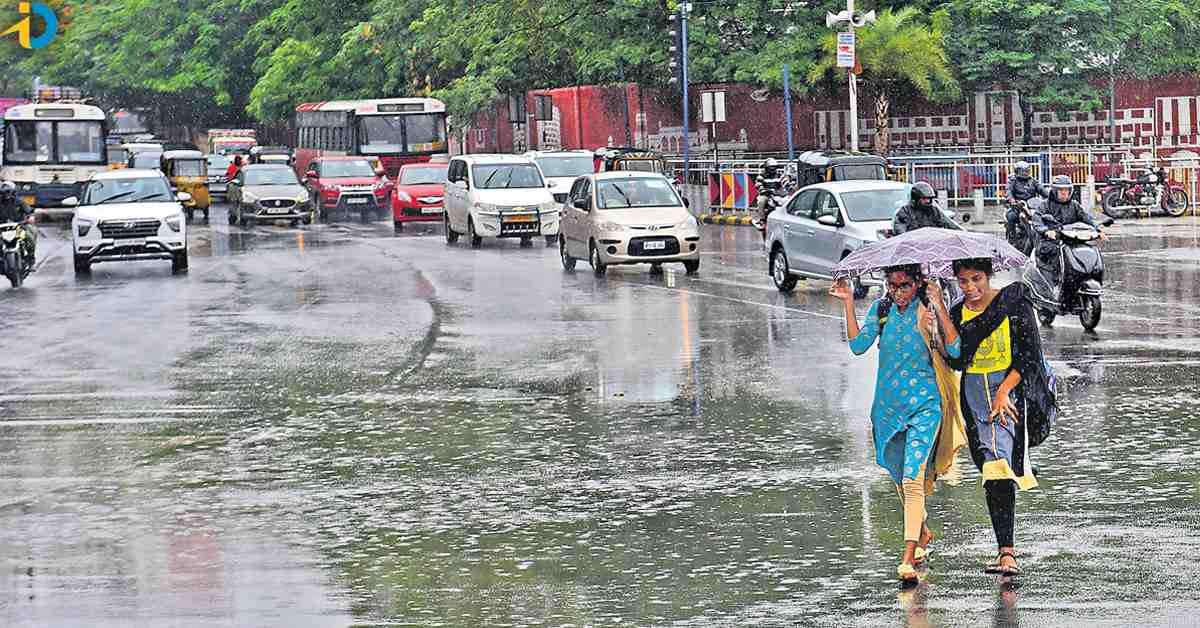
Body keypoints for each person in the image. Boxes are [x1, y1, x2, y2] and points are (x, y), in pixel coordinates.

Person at [832, 265, 966, 582]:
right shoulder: (882, 309)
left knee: (911, 478)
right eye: (892, 286)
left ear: (918, 282)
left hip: (925, 406)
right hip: (888, 408)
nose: (898, 292)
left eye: (904, 285)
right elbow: (857, 345)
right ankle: (922, 531)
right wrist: (848, 301)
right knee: (896, 472)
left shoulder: (929, 309)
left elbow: (956, 350)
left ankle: (908, 555)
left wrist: (941, 312)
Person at [947, 257, 1057, 577]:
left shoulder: (1013, 304)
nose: (971, 288)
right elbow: (956, 360)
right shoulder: (956, 313)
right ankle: (1003, 547)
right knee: (990, 469)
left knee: (998, 467)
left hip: (1007, 398)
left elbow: (1027, 357)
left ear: (988, 275)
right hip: (972, 401)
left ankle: (1006, 552)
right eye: (963, 281)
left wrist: (1003, 391)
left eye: (977, 279)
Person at [1032, 175, 1107, 290]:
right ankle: (1053, 283)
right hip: (1051, 240)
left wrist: (1097, 229)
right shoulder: (1045, 205)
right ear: (1055, 191)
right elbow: (1037, 221)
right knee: (1051, 252)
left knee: (1087, 250)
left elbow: (1086, 217)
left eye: (1067, 190)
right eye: (1061, 190)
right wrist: (1046, 231)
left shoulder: (1074, 205)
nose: (1064, 193)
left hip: (1071, 239)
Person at [892, 182, 959, 235]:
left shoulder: (934, 211)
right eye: (924, 199)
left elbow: (948, 223)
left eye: (929, 199)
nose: (927, 201)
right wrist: (908, 238)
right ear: (916, 198)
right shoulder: (905, 211)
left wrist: (964, 233)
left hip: (933, 245)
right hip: (913, 246)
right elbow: (900, 230)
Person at [1004, 161, 1044, 244]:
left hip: (1031, 206)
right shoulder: (1012, 181)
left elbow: (1042, 190)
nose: (1025, 173)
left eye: (1026, 171)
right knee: (1011, 216)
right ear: (1017, 171)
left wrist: (1051, 197)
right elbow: (1008, 191)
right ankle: (1012, 238)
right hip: (1018, 206)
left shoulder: (1032, 181)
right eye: (1023, 171)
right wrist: (1012, 200)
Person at [0, 181, 36, 267]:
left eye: (9, 192)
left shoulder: (19, 202)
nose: (7, 195)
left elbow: (29, 211)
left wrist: (30, 217)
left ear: (14, 192)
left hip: (19, 227)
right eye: (4, 193)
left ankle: (31, 258)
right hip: (2, 229)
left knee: (30, 236)